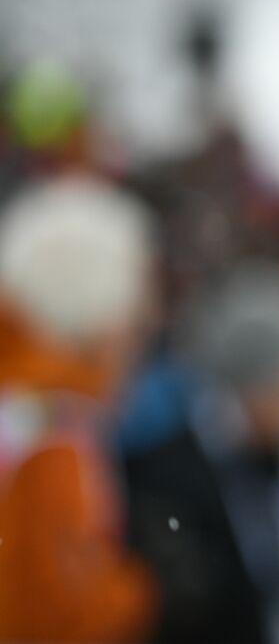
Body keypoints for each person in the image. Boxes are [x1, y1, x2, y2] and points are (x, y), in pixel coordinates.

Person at [0, 175, 159, 642]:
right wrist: (140, 587)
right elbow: (56, 620)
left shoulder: (26, 404)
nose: (147, 320)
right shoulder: (53, 433)